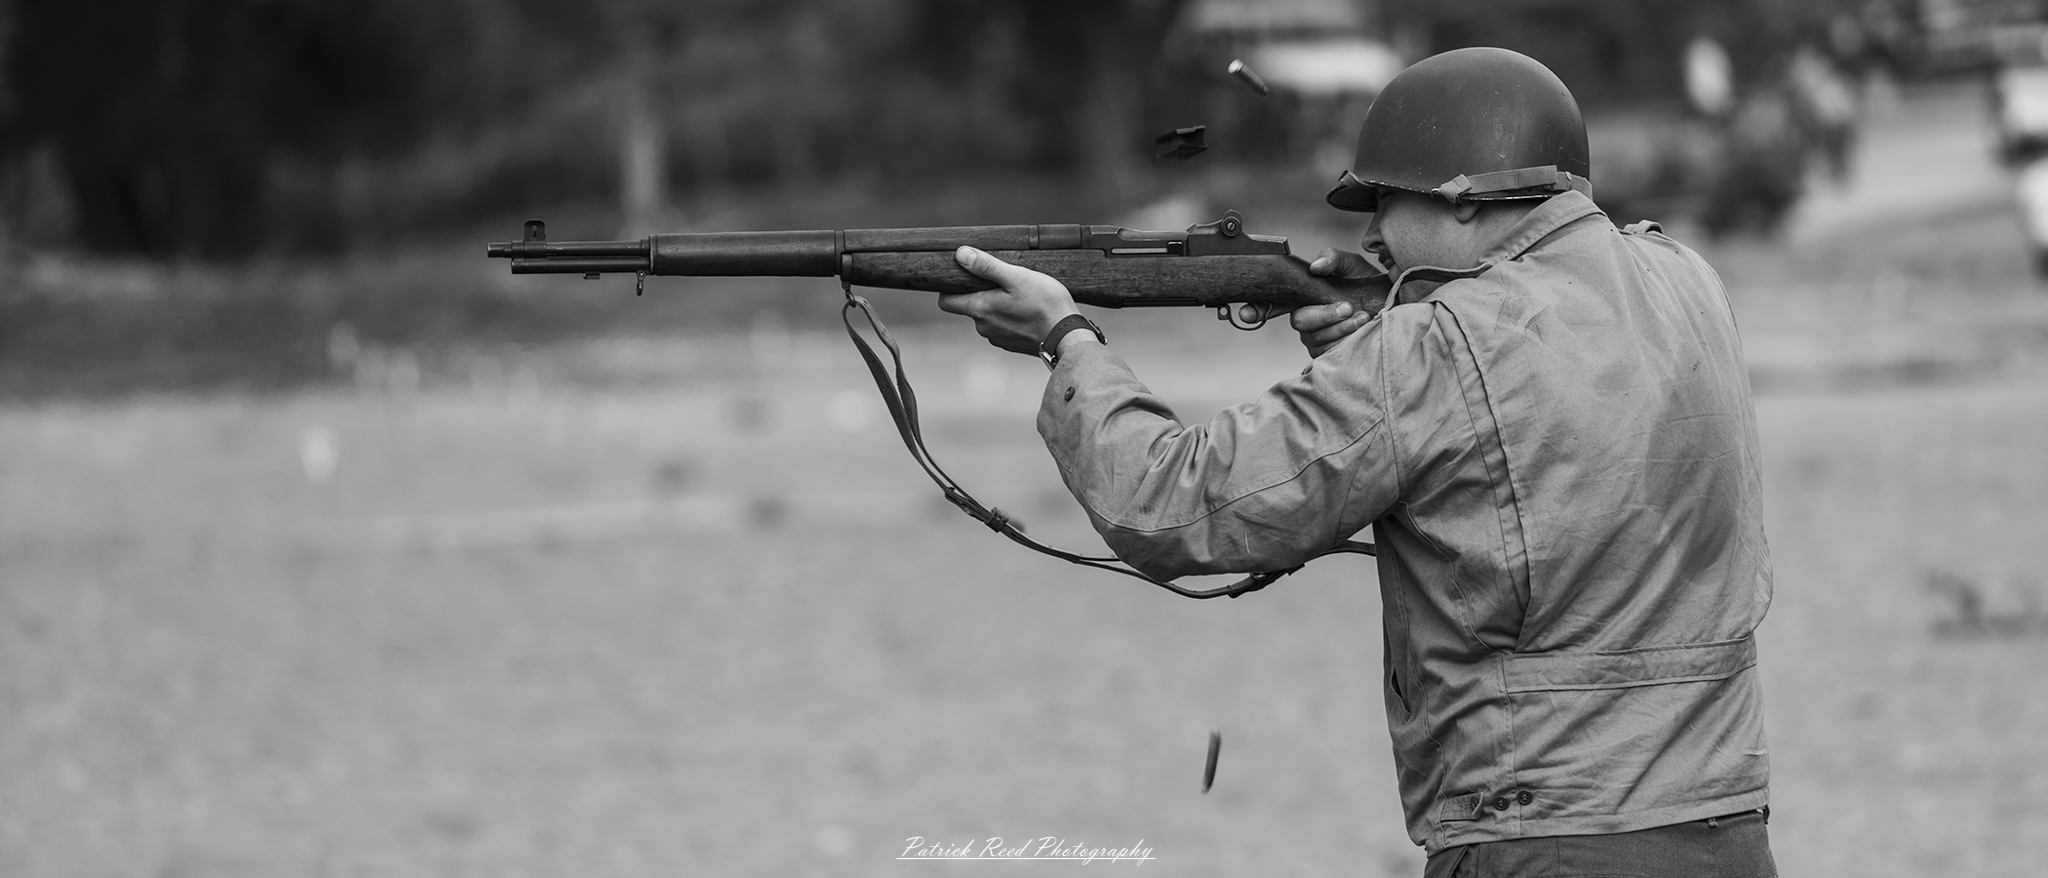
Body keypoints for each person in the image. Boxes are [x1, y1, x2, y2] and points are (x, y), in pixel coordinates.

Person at [935, 46, 1778, 877]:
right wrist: (1395, 308)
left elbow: (1169, 502)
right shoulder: (1686, 280)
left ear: (1460, 196)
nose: (1370, 231)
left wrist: (1065, 340)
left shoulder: (1433, 350)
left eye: (1384, 200)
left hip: (1543, 840)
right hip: (1724, 825)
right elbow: (1547, 387)